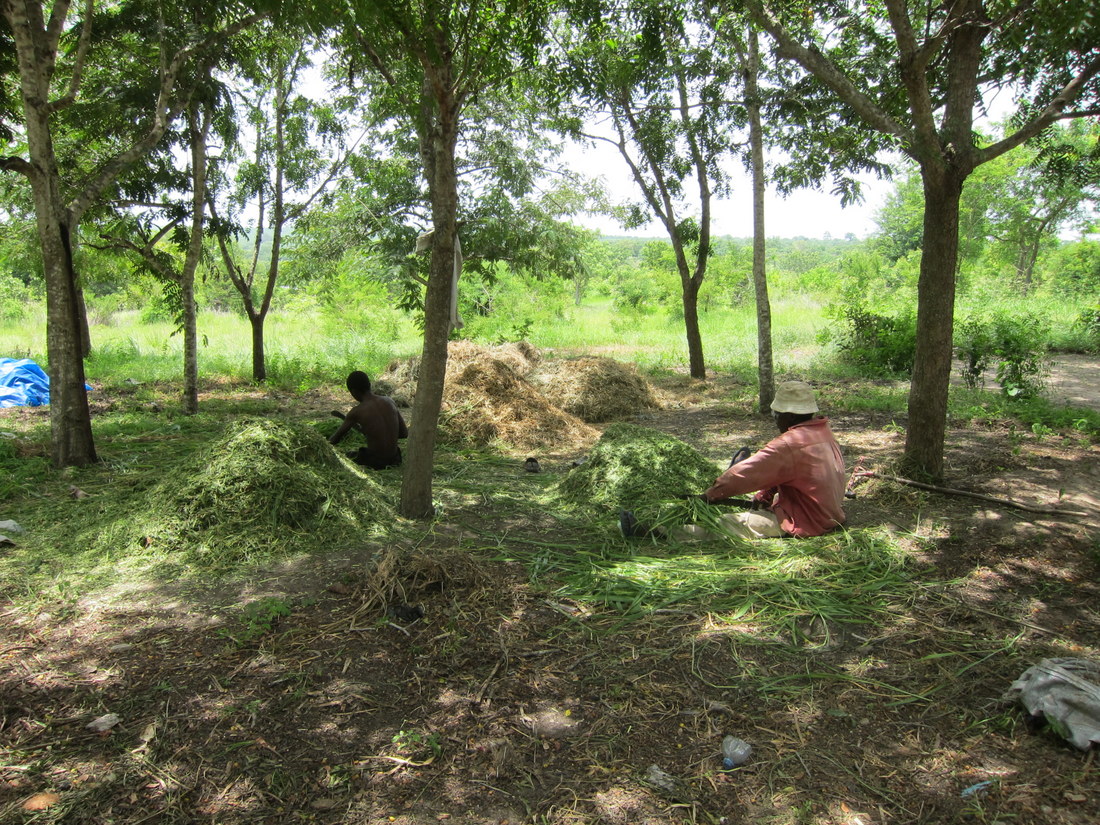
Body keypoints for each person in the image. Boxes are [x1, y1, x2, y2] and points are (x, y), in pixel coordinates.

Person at [621, 380, 846, 540]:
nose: (775, 419)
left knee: (724, 524)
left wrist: (711, 495)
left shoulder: (790, 443)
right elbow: (791, 472)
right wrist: (765, 495)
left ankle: (656, 532)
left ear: (787, 414)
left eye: (776, 414)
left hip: (806, 520)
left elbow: (745, 472)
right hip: (827, 512)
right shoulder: (822, 432)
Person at [330, 371, 408, 470]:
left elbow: (334, 440)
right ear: (370, 385)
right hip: (396, 459)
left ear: (353, 392)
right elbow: (404, 434)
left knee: (348, 455)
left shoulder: (356, 412)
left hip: (374, 462)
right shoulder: (389, 401)